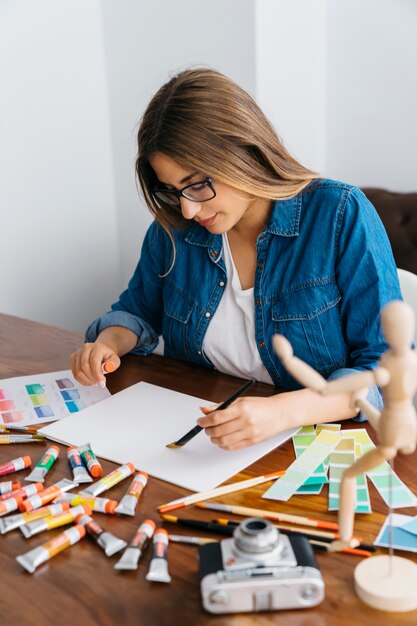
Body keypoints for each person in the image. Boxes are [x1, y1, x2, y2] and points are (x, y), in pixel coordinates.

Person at [70, 68, 402, 451]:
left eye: (197, 184)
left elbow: (385, 370)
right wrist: (108, 344)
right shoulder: (174, 228)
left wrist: (282, 412)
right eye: (172, 190)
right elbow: (139, 310)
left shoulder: (339, 214)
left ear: (245, 151)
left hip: (313, 444)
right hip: (197, 437)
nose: (188, 210)